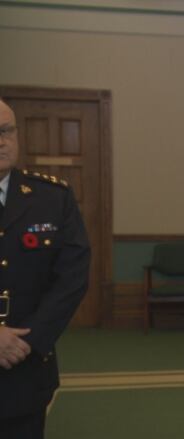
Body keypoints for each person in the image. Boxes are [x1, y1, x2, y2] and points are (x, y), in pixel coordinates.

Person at [0, 98, 91, 438]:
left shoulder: (52, 198)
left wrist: (30, 340)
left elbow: (72, 278)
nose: (1, 141)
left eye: (6, 131)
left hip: (26, 365)